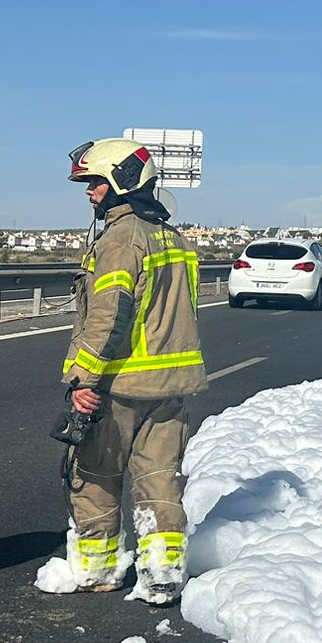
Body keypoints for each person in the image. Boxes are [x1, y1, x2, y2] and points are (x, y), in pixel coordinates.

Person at [61, 138, 207, 604]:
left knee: (95, 477)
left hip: (119, 386)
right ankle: (163, 574)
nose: (89, 193)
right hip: (170, 387)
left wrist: (84, 379)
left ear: (120, 183)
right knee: (160, 480)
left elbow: (110, 316)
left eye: (95, 183)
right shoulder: (174, 238)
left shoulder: (121, 240)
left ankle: (97, 569)